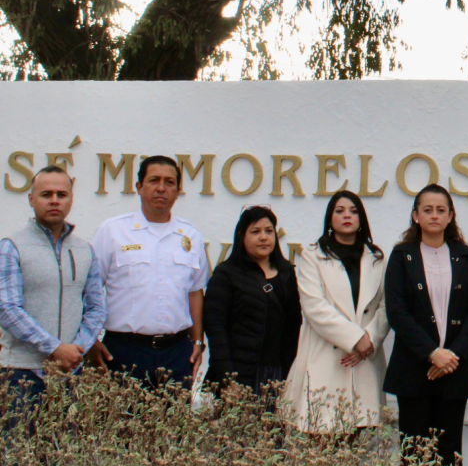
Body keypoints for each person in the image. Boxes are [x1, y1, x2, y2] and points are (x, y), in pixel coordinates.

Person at [385, 184, 468, 466]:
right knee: (414, 451)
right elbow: (396, 310)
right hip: (415, 369)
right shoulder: (402, 256)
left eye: (440, 209)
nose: (433, 215)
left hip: (453, 370)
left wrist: (450, 356)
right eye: (426, 209)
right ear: (416, 216)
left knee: (448, 451)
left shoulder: (464, 254)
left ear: (450, 215)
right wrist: (432, 353)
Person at [89, 156, 209, 389]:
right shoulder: (112, 232)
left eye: (169, 182)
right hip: (124, 350)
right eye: (154, 180)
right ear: (139, 187)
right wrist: (90, 340)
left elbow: (195, 292)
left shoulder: (191, 236)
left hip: (176, 351)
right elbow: (90, 288)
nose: (161, 188)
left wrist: (197, 341)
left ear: (178, 190)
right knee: (121, 423)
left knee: (173, 424)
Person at [282, 190, 389, 434]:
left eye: (353, 211)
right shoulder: (313, 256)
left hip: (366, 360)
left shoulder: (377, 258)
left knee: (360, 438)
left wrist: (369, 340)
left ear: (361, 218)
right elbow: (315, 308)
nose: (347, 216)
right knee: (323, 434)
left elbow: (386, 306)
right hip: (326, 357)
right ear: (330, 218)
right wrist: (355, 339)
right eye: (339, 211)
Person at [0, 166, 106, 413]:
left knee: (67, 450)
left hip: (70, 373)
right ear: (31, 199)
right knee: (20, 450)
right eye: (46, 194)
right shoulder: (12, 246)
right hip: (21, 373)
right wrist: (54, 348)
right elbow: (7, 309)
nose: (54, 200)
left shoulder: (84, 251)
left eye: (61, 194)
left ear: (71, 199)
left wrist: (75, 352)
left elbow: (97, 307)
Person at [202, 206, 302, 400]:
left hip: (278, 373)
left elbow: (294, 325)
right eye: (255, 232)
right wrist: (227, 378)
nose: (263, 237)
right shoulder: (226, 274)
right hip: (240, 374)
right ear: (241, 236)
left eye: (269, 231)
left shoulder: (286, 273)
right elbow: (215, 328)